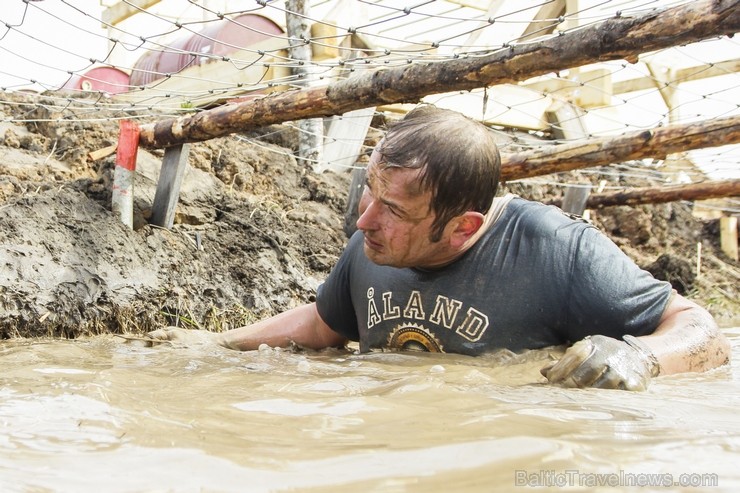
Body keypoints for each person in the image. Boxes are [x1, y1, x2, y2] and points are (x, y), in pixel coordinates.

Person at [148, 105, 730, 391]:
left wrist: (640, 358)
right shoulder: (374, 243)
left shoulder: (556, 250)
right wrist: (213, 342)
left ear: (461, 227)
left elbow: (703, 332)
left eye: (394, 210)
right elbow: (325, 326)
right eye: (369, 194)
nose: (362, 221)